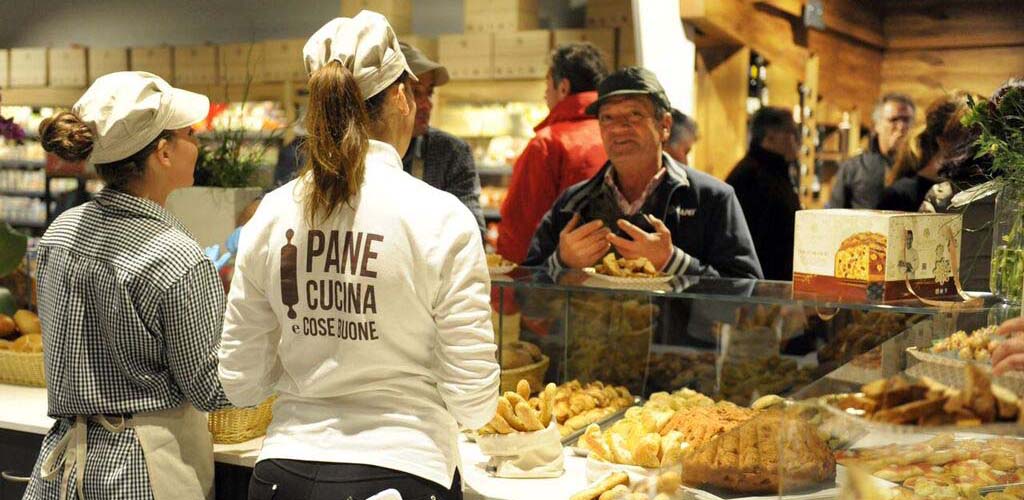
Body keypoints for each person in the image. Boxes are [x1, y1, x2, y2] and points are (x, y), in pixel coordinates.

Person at [217, 12, 500, 500]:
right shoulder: (441, 217)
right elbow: (474, 402)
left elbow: (240, 384)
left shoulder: (270, 215)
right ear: (401, 97)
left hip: (282, 473)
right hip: (403, 469)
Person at [24, 72, 231, 500]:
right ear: (164, 153)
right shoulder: (177, 256)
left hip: (63, 468)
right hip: (144, 467)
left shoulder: (61, 233)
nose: (198, 142)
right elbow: (209, 387)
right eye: (189, 134)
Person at [523, 66, 763, 280]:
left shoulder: (712, 198)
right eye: (607, 117)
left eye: (634, 114)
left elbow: (746, 297)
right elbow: (527, 296)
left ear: (665, 126)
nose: (618, 127)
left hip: (676, 333)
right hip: (589, 332)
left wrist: (674, 262)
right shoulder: (571, 204)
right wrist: (561, 263)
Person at [497, 42, 609, 263]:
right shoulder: (618, 138)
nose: (545, 95)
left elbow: (520, 232)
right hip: (621, 280)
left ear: (563, 87)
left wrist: (515, 290)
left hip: (560, 284)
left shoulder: (548, 144)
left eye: (548, 85)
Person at [921, 79, 1024, 291]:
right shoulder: (1013, 191)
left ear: (941, 141)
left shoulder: (942, 197)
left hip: (957, 315)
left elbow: (922, 276)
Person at [399, 41, 486, 234]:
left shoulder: (451, 153)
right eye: (415, 92)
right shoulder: (359, 151)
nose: (426, 105)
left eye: (429, 93)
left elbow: (473, 233)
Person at [725, 106, 801, 281]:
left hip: (769, 285)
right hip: (761, 286)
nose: (796, 141)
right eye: (791, 133)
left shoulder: (771, 171)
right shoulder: (752, 177)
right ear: (770, 136)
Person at [877, 91, 972, 212]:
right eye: (969, 134)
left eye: (906, 119)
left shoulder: (965, 189)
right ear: (943, 140)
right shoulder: (900, 194)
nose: (901, 126)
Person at [827, 93, 915, 209]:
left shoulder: (919, 168)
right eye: (894, 120)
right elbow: (834, 213)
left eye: (906, 120)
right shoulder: (853, 167)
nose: (901, 126)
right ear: (876, 125)